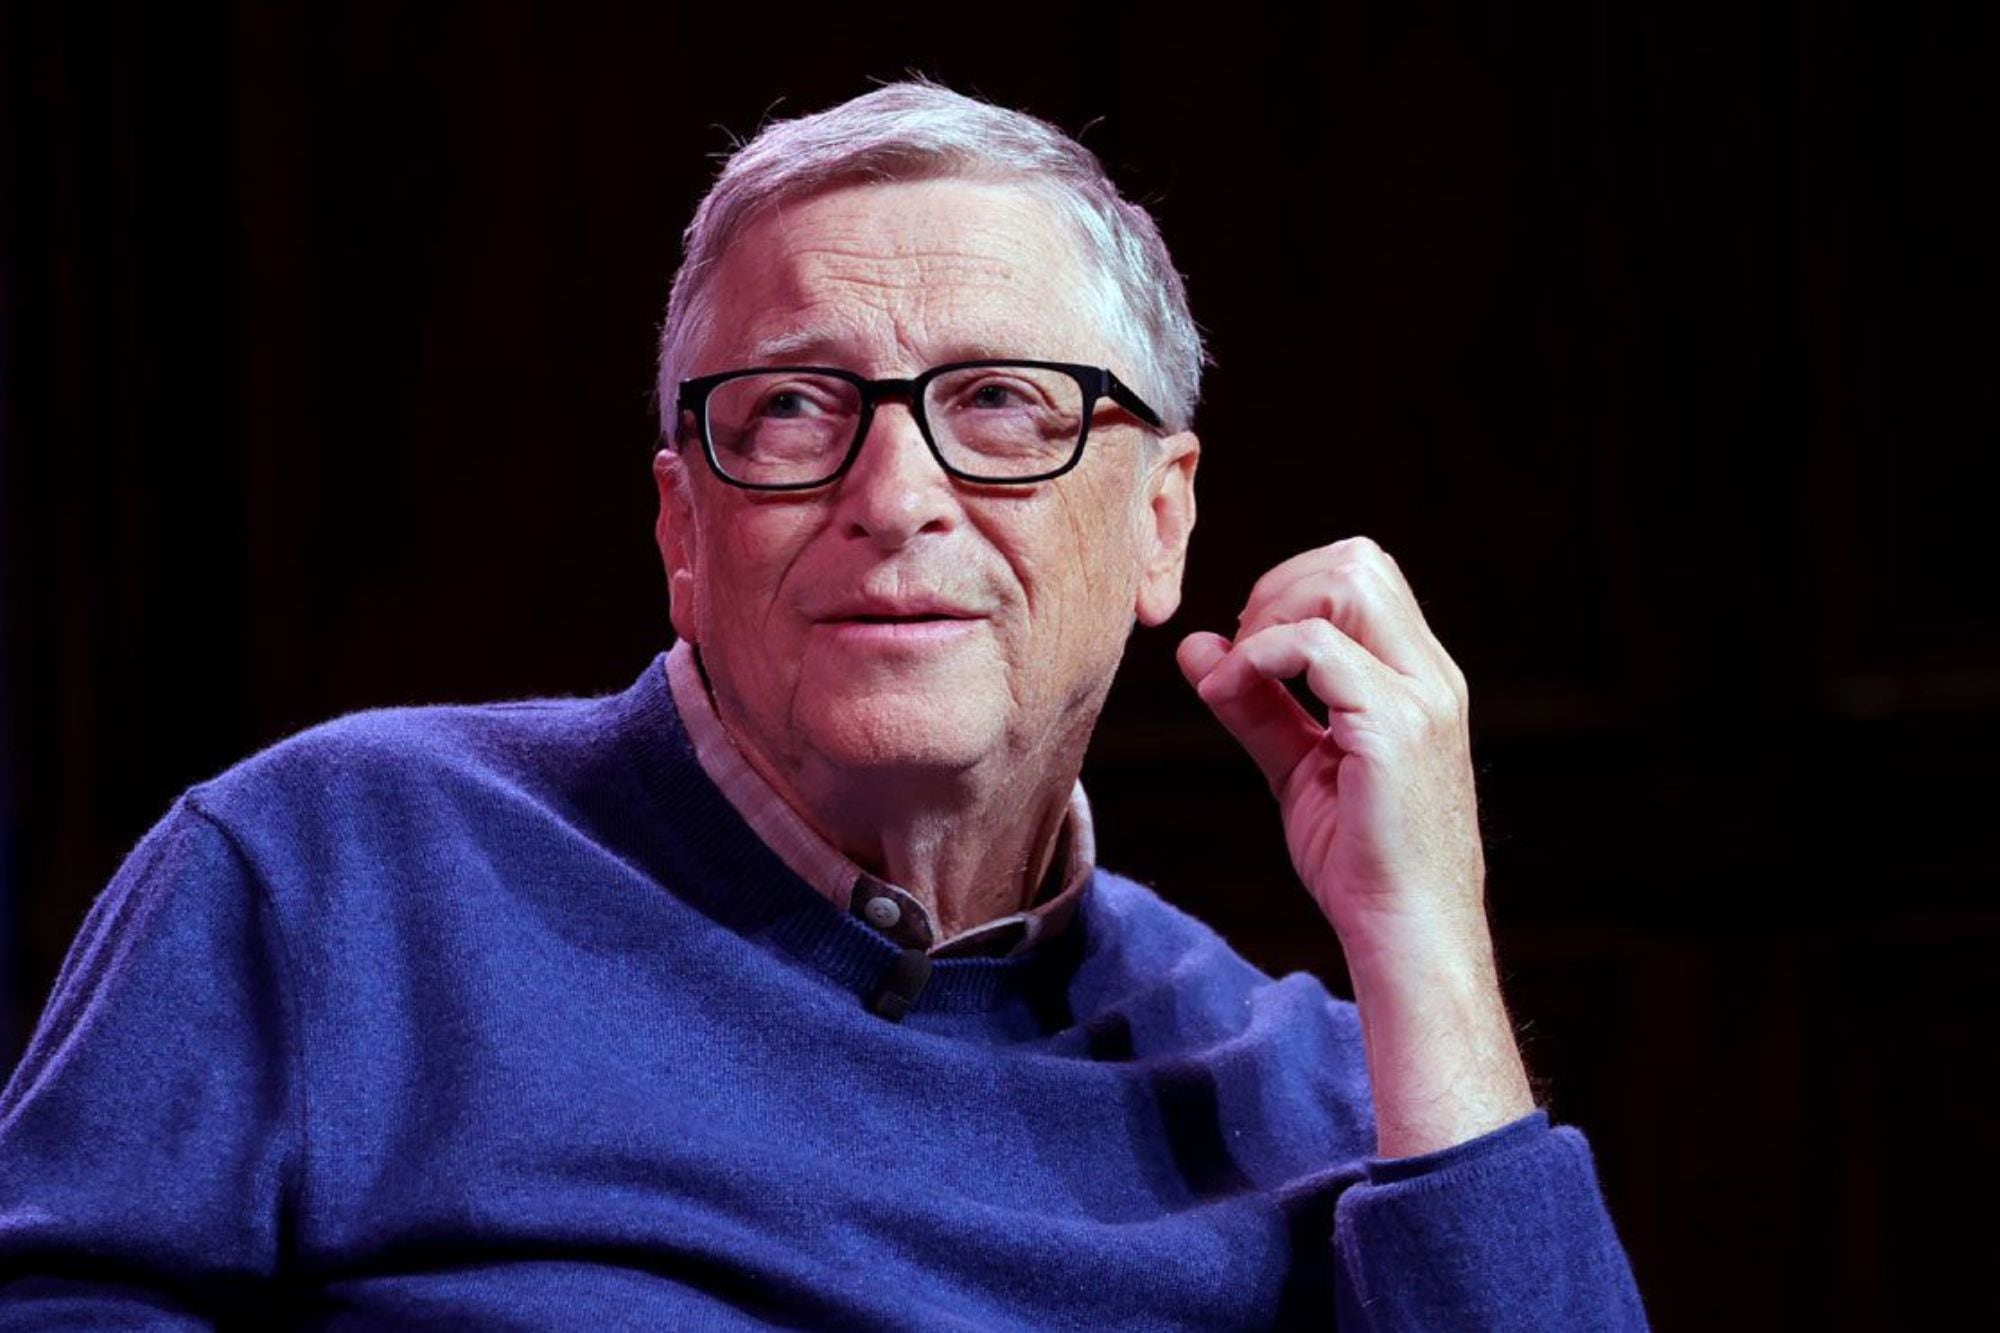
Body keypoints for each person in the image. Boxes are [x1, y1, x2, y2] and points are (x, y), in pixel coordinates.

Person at [0, 80, 1648, 1329]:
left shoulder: (1321, 1095)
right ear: (682, 529)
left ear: (1161, 523)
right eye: (795, 408)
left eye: (1000, 404)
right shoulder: (327, 877)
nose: (896, 494)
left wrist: (1428, 944)